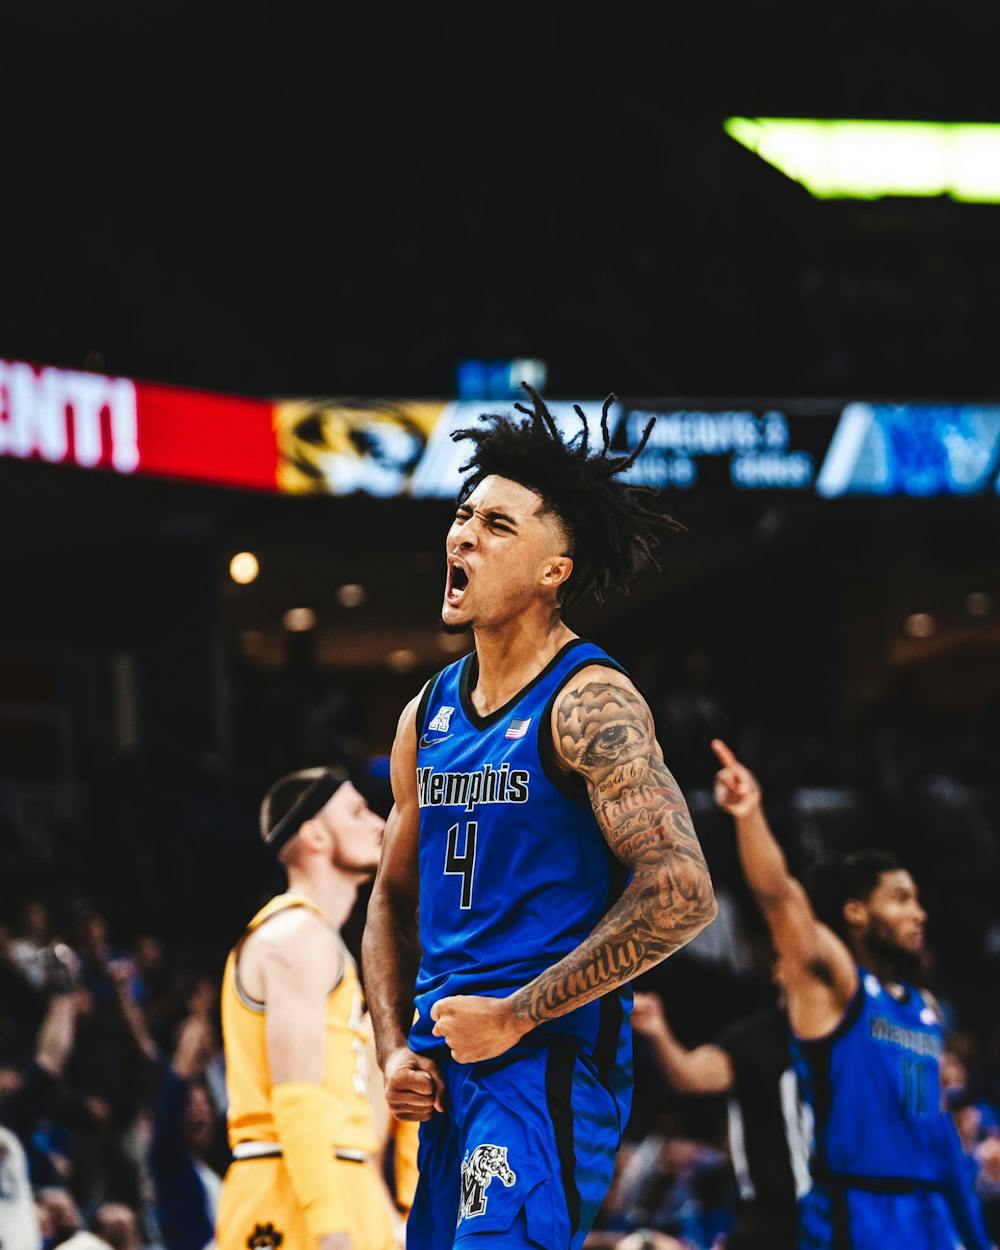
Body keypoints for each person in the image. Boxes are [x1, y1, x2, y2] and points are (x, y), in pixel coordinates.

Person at [363, 386, 718, 1250]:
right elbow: (387, 902)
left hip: (545, 1061)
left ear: (554, 572)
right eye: (463, 515)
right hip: (450, 1069)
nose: (463, 536)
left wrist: (515, 1016)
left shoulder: (589, 701)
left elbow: (682, 892)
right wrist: (389, 1050)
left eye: (497, 526)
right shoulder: (427, 713)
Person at [710, 738, 991, 1250]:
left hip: (929, 1215)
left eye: (918, 901)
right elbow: (780, 897)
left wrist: (973, 1236)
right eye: (902, 900)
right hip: (857, 1212)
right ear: (857, 912)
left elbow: (940, 1138)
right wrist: (749, 814)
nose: (918, 913)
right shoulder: (837, 985)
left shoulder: (925, 1009)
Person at [216, 766, 399, 1250]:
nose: (380, 822)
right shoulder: (297, 937)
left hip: (340, 1180)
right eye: (357, 812)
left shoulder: (320, 939)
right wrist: (331, 1231)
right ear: (315, 835)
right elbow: (297, 1098)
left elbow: (350, 1112)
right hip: (291, 1194)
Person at [631, 987, 808, 1250]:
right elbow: (689, 1075)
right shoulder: (759, 1038)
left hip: (839, 1208)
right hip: (771, 1218)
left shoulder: (853, 1039)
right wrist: (658, 1031)